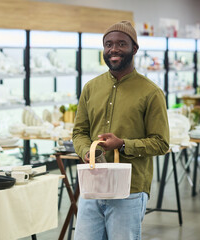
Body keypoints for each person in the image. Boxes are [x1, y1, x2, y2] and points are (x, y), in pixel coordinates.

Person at [73, 21, 170, 240]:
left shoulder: (151, 92)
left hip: (130, 189)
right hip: (93, 185)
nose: (113, 49)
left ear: (134, 49)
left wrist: (123, 144)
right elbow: (79, 132)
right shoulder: (91, 87)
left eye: (121, 44)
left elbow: (161, 142)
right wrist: (86, 152)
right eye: (108, 44)